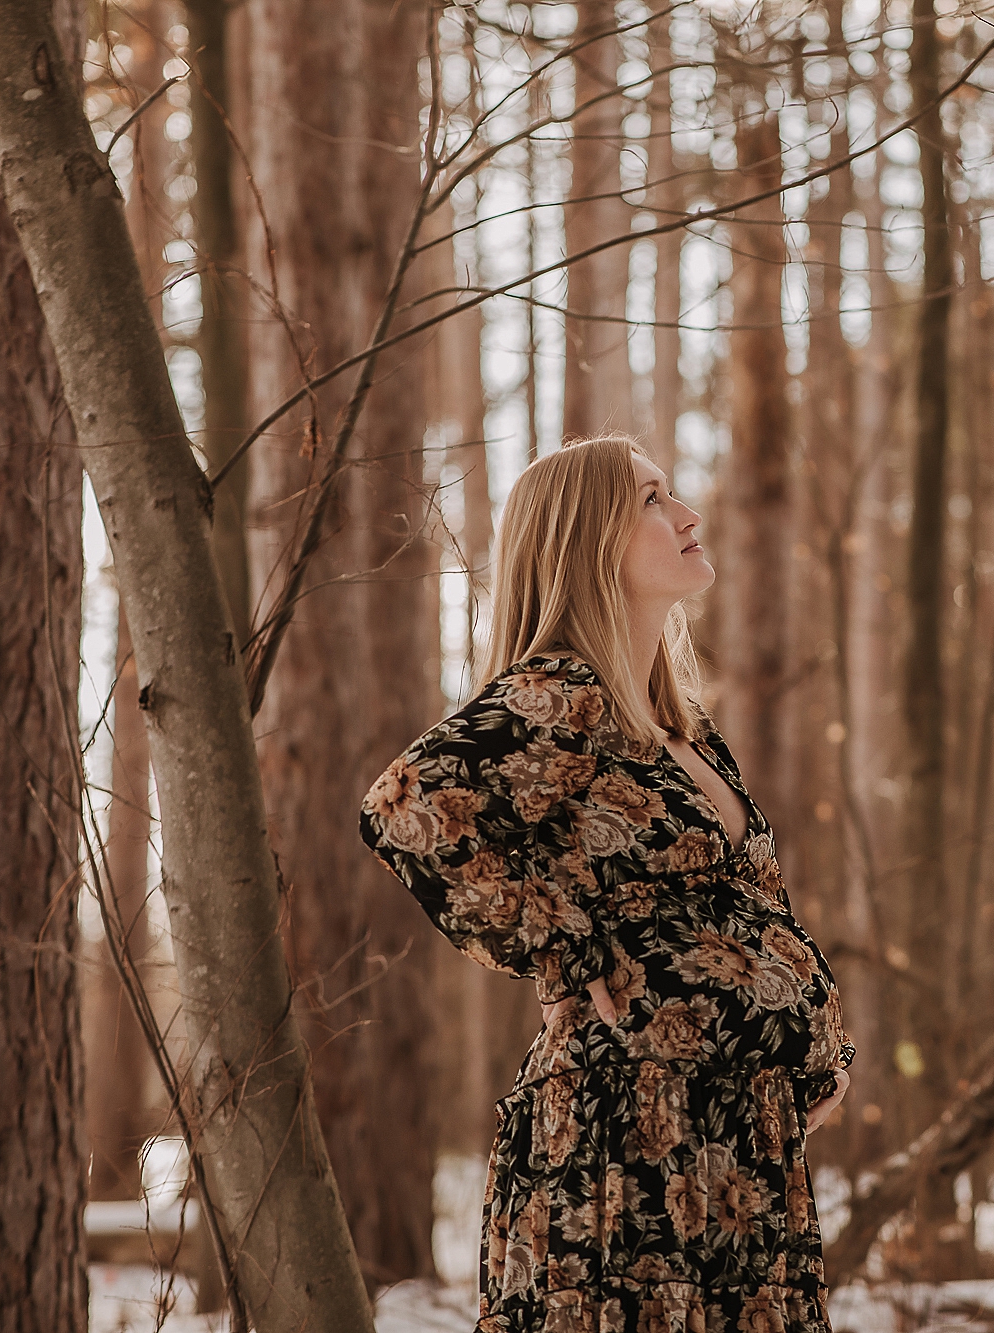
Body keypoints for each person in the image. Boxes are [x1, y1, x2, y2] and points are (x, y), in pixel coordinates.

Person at [359, 435, 856, 1333]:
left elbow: (740, 906)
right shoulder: (561, 696)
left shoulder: (679, 726)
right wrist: (566, 944)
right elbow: (405, 805)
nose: (689, 513)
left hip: (739, 1144)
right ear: (585, 539)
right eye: (654, 498)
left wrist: (815, 1039)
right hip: (628, 1141)